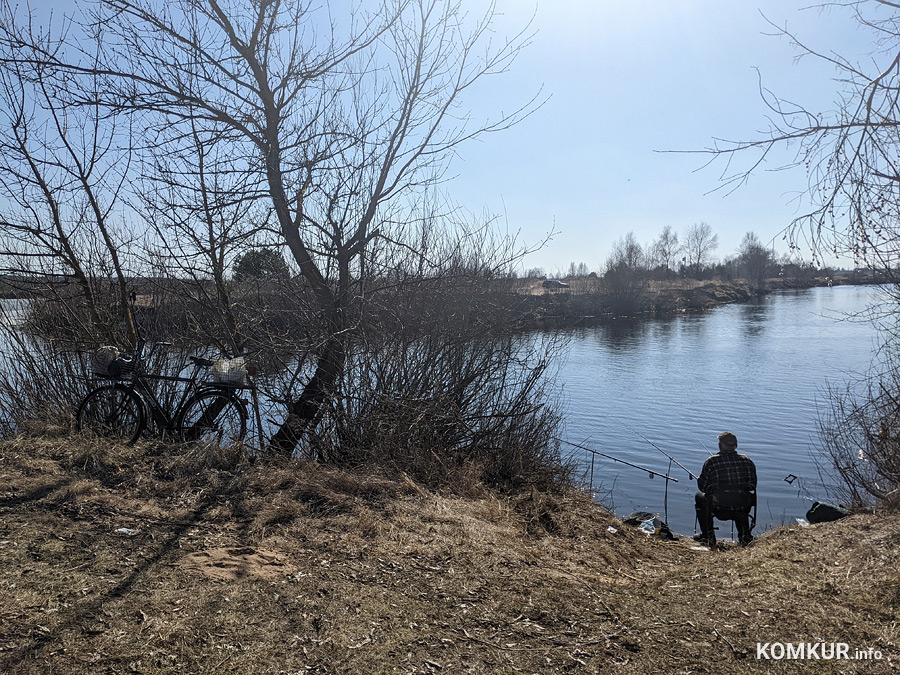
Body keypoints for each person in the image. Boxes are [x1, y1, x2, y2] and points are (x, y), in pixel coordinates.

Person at [694, 431, 757, 546]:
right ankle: (745, 536)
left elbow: (703, 487)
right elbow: (753, 485)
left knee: (699, 496)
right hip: (742, 506)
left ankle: (708, 536)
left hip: (719, 507)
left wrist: (699, 479)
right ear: (736, 446)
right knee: (739, 497)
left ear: (720, 445)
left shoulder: (711, 462)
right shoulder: (748, 461)